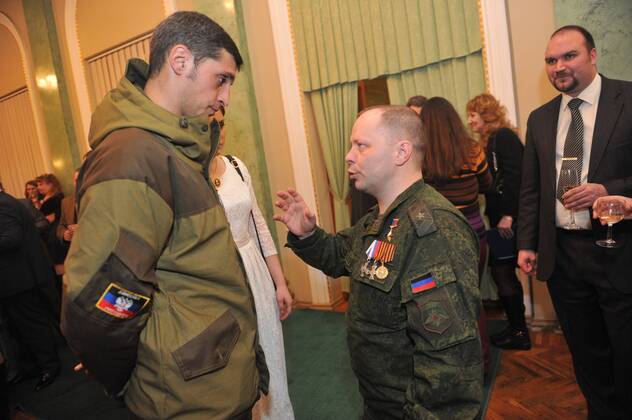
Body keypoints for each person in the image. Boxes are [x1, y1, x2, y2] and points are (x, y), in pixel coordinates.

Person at [61, 11, 268, 419]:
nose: (226, 97)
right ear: (180, 61)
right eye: (222, 78)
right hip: (186, 395)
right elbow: (99, 306)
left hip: (212, 380)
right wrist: (131, 377)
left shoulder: (173, 148)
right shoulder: (136, 157)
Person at [275, 106, 483, 419]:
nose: (348, 156)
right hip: (379, 403)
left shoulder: (431, 229)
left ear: (401, 152)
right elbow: (342, 255)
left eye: (361, 145)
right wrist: (308, 235)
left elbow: (448, 361)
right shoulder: (383, 218)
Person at [517, 25, 632, 418]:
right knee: (586, 355)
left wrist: (608, 190)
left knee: (626, 351)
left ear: (594, 55)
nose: (558, 66)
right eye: (551, 60)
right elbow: (531, 188)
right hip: (563, 256)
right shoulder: (540, 118)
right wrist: (527, 243)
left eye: (569, 56)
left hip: (620, 252)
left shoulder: (628, 99)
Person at [210, 110, 294, 420]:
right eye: (210, 125)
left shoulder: (236, 166)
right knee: (238, 362)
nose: (219, 133)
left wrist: (280, 283)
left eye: (222, 124)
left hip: (255, 271)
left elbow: (259, 225)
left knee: (270, 353)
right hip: (221, 279)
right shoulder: (188, 175)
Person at [420, 96, 494, 374]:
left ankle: (453, 367)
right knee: (473, 301)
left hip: (434, 238)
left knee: (439, 303)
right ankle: (483, 364)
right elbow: (487, 185)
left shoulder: (419, 156)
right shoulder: (473, 150)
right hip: (473, 234)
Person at [466, 93, 529, 350]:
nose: (469, 121)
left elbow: (518, 178)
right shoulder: (491, 141)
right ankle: (516, 329)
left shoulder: (503, 137)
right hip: (501, 220)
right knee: (502, 273)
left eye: (473, 115)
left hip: (508, 221)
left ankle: (519, 333)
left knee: (502, 272)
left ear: (486, 114)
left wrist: (509, 215)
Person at [0, 183, 60, 391]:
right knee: (23, 326)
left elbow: (11, 239)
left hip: (20, 279)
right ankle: (37, 365)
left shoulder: (3, 204)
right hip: (15, 280)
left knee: (32, 325)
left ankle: (50, 367)